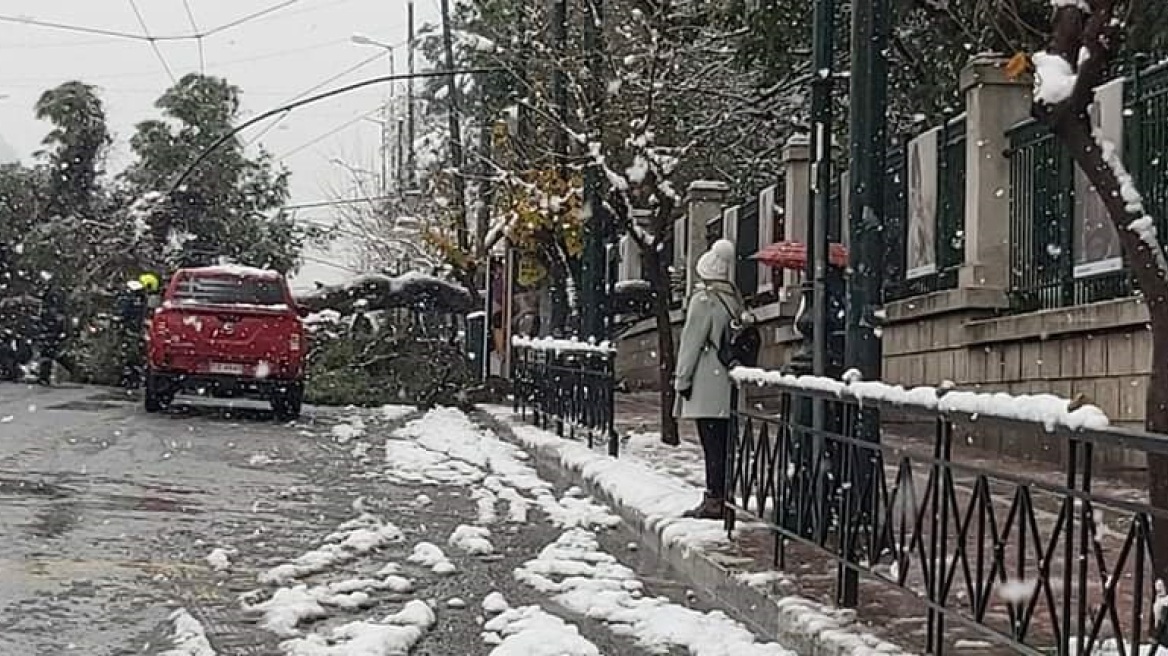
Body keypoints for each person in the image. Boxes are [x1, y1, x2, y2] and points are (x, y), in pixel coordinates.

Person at [673, 239, 750, 520]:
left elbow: (691, 343)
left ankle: (714, 499)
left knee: (711, 443)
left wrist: (682, 380)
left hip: (707, 384)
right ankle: (724, 495)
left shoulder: (704, 299)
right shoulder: (734, 299)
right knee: (726, 443)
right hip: (729, 382)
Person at [116, 272, 160, 389]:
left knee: (133, 354)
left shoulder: (133, 295)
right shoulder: (137, 296)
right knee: (133, 354)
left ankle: (130, 377)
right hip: (132, 329)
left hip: (132, 329)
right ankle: (130, 377)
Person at [35, 284, 68, 385]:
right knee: (47, 354)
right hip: (50, 333)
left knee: (47, 354)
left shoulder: (51, 310)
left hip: (51, 333)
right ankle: (44, 375)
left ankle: (45, 375)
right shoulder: (50, 309)